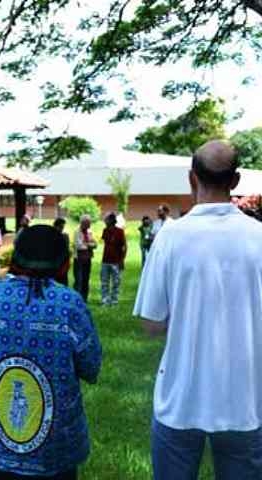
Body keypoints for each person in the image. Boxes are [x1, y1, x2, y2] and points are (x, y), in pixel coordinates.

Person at [134, 140, 262, 480]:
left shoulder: (171, 238)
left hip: (181, 398)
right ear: (235, 182)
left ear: (191, 179)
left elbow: (151, 323)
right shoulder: (259, 237)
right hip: (246, 400)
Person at [0, 225, 102, 480]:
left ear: (17, 257)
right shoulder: (68, 303)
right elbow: (91, 366)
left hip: (4, 446)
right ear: (63, 264)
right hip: (56, 451)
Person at [100, 213, 127, 307]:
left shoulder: (120, 231)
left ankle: (114, 301)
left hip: (116, 261)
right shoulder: (105, 230)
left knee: (116, 282)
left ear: (111, 220)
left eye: (106, 219)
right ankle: (105, 300)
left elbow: (124, 247)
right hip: (105, 260)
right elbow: (106, 243)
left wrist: (122, 260)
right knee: (104, 282)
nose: (104, 221)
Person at [73, 215, 96, 302]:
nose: (89, 225)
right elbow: (79, 246)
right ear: (83, 223)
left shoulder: (89, 231)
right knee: (79, 279)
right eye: (88, 224)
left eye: (89, 223)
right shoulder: (77, 232)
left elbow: (95, 244)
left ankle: (84, 298)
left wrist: (87, 244)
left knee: (86, 279)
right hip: (79, 259)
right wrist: (89, 244)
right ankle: (77, 299)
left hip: (88, 258)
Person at [53, 217, 70, 286]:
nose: (61, 229)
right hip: (53, 264)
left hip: (62, 264)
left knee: (63, 283)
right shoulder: (50, 236)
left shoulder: (65, 236)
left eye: (62, 227)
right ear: (55, 226)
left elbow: (67, 249)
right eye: (60, 227)